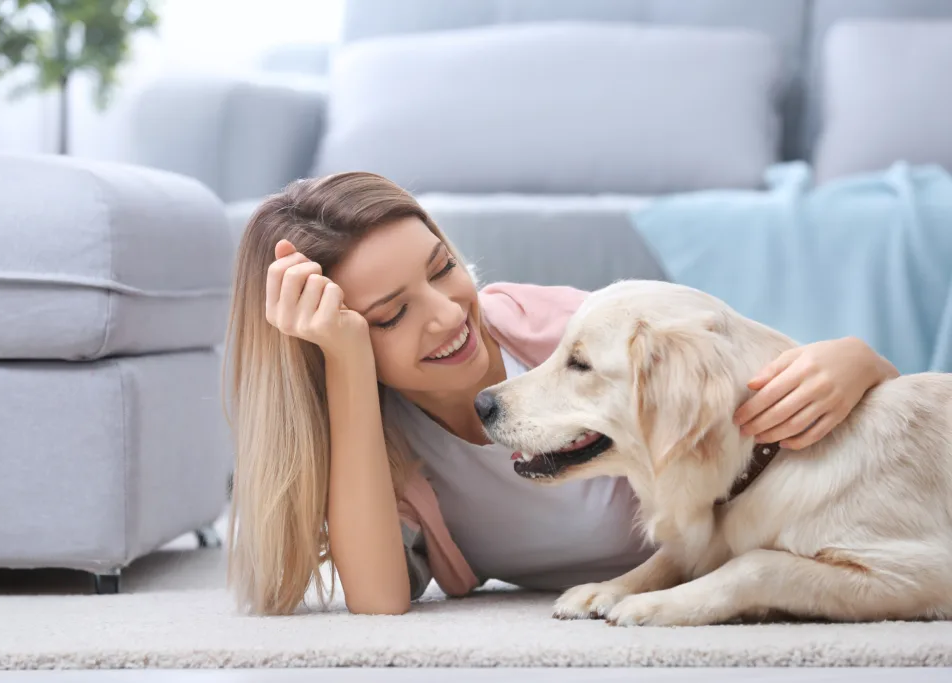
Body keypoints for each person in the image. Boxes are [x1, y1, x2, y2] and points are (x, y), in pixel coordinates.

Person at [222, 171, 900, 617]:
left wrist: (857, 361)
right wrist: (343, 364)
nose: (447, 314)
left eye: (443, 268)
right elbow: (377, 605)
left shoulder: (559, 328)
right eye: (389, 315)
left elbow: (738, 374)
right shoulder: (383, 451)